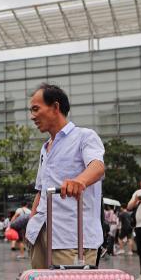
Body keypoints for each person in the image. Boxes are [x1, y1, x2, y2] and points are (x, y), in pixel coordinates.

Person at [26, 84, 105, 268]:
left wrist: (80, 181)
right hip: (42, 233)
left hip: (72, 238)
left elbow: (97, 166)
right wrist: (31, 223)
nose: (32, 116)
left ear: (55, 107)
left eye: (36, 109)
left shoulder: (84, 137)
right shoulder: (45, 148)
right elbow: (41, 190)